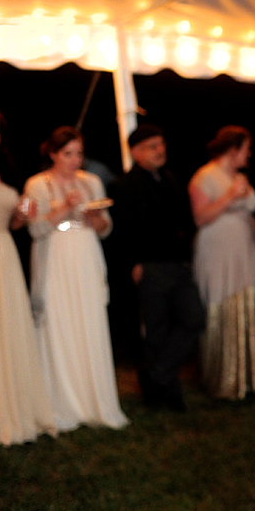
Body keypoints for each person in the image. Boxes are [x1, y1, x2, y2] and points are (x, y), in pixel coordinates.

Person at [24, 127, 128, 431]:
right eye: (68, 153)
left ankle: (94, 401)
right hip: (55, 259)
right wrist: (64, 208)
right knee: (58, 324)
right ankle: (60, 403)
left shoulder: (92, 182)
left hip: (87, 256)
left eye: (79, 153)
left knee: (89, 322)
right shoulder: (37, 184)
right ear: (53, 154)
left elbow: (105, 228)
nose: (74, 159)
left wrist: (94, 216)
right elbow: (35, 229)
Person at [109, 124, 204, 412]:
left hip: (177, 264)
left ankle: (154, 376)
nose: (159, 150)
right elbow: (120, 232)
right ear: (135, 152)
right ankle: (165, 391)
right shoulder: (122, 185)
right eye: (152, 146)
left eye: (161, 144)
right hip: (149, 267)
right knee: (157, 330)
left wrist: (187, 255)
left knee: (193, 319)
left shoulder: (172, 179)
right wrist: (133, 264)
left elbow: (185, 221)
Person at [0, 106, 57, 447]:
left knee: (5, 327)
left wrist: (23, 216)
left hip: (4, 254)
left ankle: (10, 408)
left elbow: (13, 223)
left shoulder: (4, 173)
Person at [189, 125, 255, 400]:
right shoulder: (204, 176)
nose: (249, 154)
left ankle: (247, 379)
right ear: (233, 150)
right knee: (221, 304)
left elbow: (250, 214)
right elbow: (200, 217)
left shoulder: (240, 176)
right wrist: (230, 196)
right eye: (246, 149)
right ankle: (221, 379)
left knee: (245, 305)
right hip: (217, 252)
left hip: (243, 253)